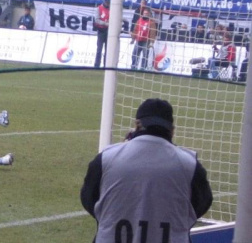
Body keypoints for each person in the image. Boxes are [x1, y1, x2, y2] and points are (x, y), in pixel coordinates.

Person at [81, 98, 213, 243]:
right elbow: (202, 203)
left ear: (137, 124)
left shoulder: (106, 158)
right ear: (172, 130)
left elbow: (89, 198)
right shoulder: (190, 164)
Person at [94, 0, 109, 68]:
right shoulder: (99, 8)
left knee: (107, 50)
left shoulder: (111, 9)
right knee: (99, 49)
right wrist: (104, 23)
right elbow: (96, 20)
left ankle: (106, 65)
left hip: (108, 31)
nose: (107, 4)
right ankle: (97, 65)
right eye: (106, 2)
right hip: (101, 30)